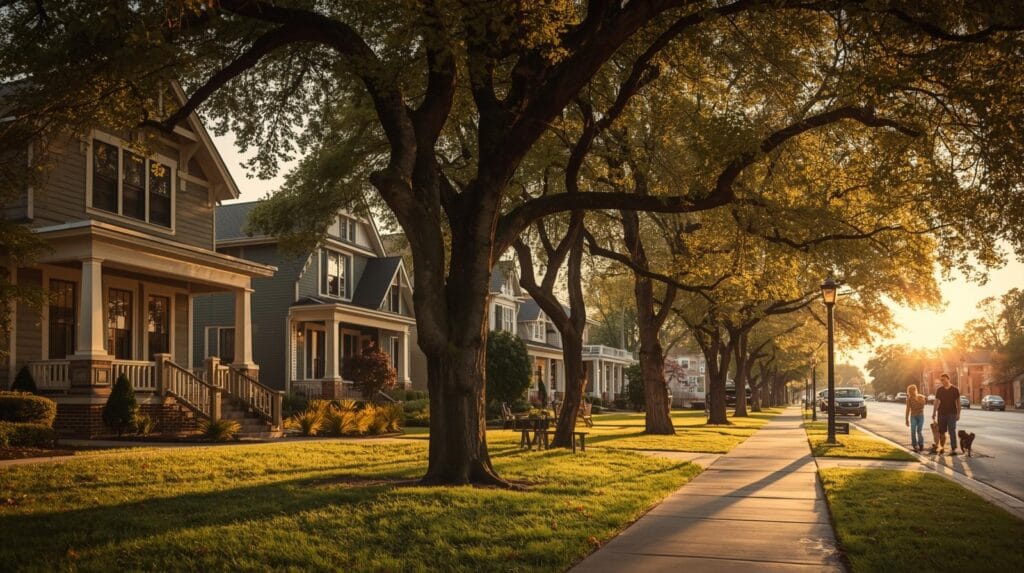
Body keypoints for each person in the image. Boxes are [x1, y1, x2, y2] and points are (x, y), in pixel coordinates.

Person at [932, 373, 962, 456]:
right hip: (941, 413)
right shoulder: (939, 390)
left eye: (944, 379)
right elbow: (936, 402)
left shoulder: (955, 389)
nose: (942, 381)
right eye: (941, 380)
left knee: (952, 430)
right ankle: (942, 447)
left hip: (952, 413)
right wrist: (934, 412)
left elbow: (958, 402)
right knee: (942, 432)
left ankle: (953, 449)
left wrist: (958, 413)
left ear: (948, 379)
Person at [905, 384, 926, 452]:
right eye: (910, 391)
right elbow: (908, 409)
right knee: (913, 431)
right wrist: (906, 419)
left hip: (920, 416)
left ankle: (921, 444)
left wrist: (917, 399)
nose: (911, 392)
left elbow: (923, 405)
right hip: (913, 416)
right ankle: (915, 445)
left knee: (919, 431)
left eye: (913, 390)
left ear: (915, 390)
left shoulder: (920, 397)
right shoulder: (909, 399)